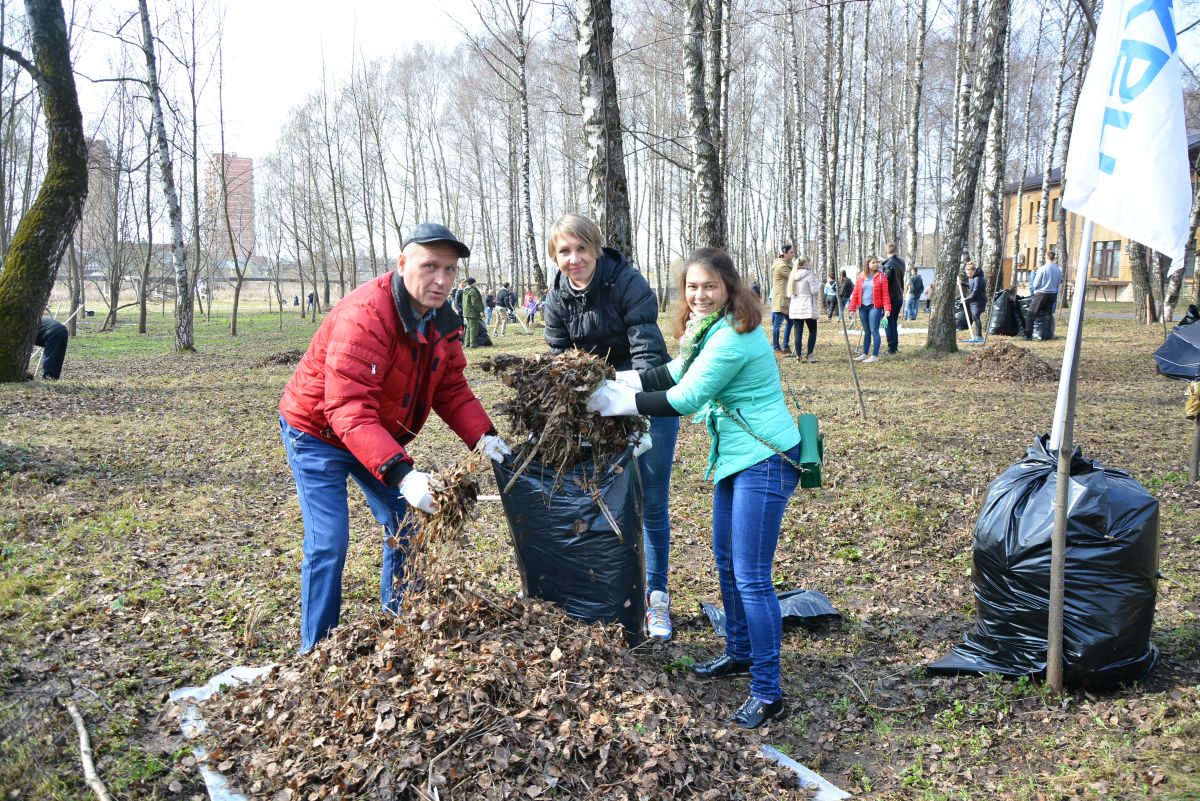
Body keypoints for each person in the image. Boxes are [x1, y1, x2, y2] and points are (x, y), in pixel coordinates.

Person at [585, 247, 801, 729]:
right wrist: (614, 379)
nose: (700, 295)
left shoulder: (734, 336)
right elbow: (675, 372)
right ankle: (740, 652)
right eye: (692, 287)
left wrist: (622, 404)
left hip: (765, 461)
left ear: (729, 288)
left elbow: (686, 397)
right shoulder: (707, 331)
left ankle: (768, 691)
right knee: (726, 563)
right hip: (737, 459)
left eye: (710, 286)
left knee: (752, 576)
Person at [278, 222, 512, 653]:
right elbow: (347, 407)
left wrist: (485, 438)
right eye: (429, 267)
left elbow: (451, 387)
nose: (441, 280)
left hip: (373, 433)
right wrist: (403, 474)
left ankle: (399, 630)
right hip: (317, 433)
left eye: (449, 270)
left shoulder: (442, 319)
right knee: (329, 541)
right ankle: (315, 651)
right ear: (403, 263)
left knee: (406, 527)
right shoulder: (365, 316)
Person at [541, 213, 681, 641]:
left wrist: (625, 395)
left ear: (596, 249)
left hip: (648, 400)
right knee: (608, 501)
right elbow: (559, 362)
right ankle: (617, 594)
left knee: (651, 501)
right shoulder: (556, 300)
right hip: (597, 410)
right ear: (555, 257)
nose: (574, 259)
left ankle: (657, 598)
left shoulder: (628, 283)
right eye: (564, 251)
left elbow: (648, 353)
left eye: (582, 248)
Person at [848, 256, 891, 363]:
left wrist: (887, 308)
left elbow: (885, 294)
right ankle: (864, 353)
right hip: (862, 307)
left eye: (877, 263)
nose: (876, 264)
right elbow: (855, 293)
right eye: (873, 263)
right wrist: (852, 309)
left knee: (874, 331)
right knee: (867, 331)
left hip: (875, 307)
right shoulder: (861, 276)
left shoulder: (881, 277)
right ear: (867, 264)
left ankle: (875, 356)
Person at [786, 255, 819, 362]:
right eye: (810, 262)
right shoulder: (809, 274)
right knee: (813, 331)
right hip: (807, 306)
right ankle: (809, 355)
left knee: (798, 332)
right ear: (806, 264)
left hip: (795, 307)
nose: (811, 264)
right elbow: (814, 290)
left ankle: (798, 356)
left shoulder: (793, 275)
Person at [1025, 250, 1062, 340]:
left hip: (1042, 293)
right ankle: (1045, 336)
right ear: (1054, 258)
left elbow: (1035, 284)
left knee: (1031, 314)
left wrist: (1036, 290)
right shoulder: (1058, 269)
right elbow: (1059, 282)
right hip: (1052, 294)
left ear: (1046, 257)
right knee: (1047, 315)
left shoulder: (1042, 268)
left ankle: (1028, 335)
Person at [769, 245, 795, 353]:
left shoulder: (787, 264)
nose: (793, 254)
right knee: (777, 325)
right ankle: (776, 346)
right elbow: (794, 277)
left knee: (790, 321)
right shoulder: (781, 266)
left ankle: (785, 345)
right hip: (781, 300)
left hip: (785, 299)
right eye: (791, 253)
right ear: (785, 254)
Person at [880, 243, 905, 354]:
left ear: (886, 251)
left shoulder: (889, 265)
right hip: (898, 296)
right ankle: (894, 346)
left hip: (890, 298)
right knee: (893, 322)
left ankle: (891, 347)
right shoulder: (901, 263)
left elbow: (885, 281)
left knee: (888, 322)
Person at [964, 262, 987, 342]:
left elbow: (975, 291)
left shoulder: (978, 278)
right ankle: (978, 336)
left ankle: (979, 337)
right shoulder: (972, 278)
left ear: (974, 271)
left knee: (976, 316)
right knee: (974, 317)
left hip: (979, 301)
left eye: (969, 273)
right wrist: (962, 284)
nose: (968, 275)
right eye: (967, 273)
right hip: (973, 300)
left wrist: (966, 299)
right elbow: (971, 285)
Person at [461, 277, 484, 348]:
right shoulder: (473, 291)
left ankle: (467, 344)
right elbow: (474, 302)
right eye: (475, 282)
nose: (476, 284)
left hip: (466, 312)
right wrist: (480, 310)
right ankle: (473, 345)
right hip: (472, 313)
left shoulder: (465, 290)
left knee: (468, 328)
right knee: (474, 328)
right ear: (473, 283)